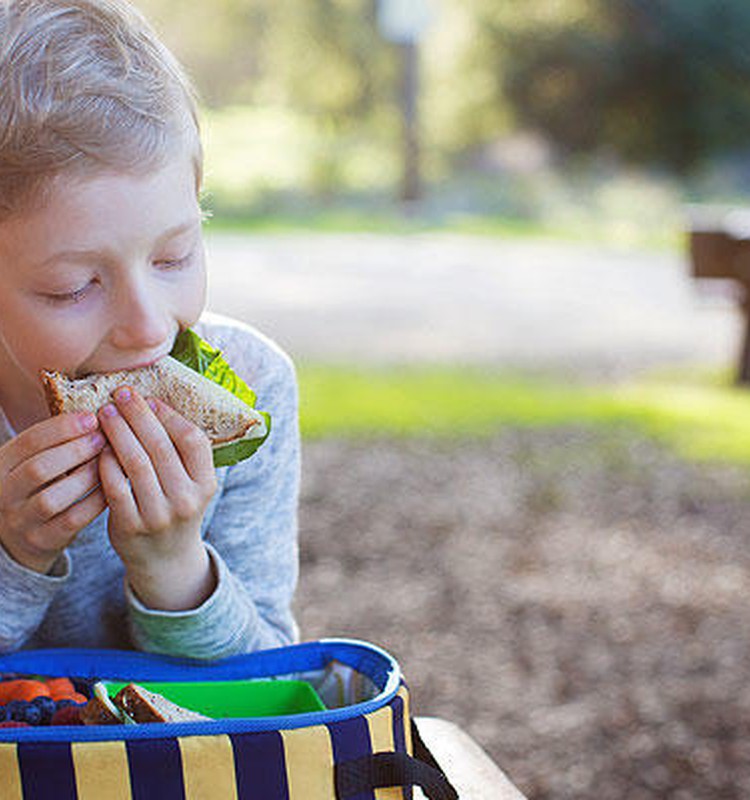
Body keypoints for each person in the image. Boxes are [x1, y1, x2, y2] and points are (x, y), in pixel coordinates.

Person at [0, 0, 299, 658]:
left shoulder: (254, 390)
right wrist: (14, 556)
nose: (147, 327)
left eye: (173, 258)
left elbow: (266, 694)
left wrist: (176, 571)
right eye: (73, 287)